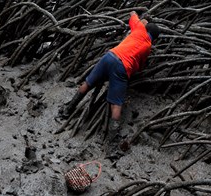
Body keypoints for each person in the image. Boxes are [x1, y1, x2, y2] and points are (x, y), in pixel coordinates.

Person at [60, 11, 160, 158]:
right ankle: (111, 144)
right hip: (121, 67)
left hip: (109, 56)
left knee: (88, 83)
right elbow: (139, 66)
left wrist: (142, 21)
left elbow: (132, 14)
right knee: (117, 104)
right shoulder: (148, 46)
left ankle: (67, 110)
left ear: (146, 29)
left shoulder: (138, 28)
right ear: (154, 38)